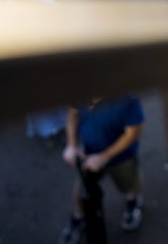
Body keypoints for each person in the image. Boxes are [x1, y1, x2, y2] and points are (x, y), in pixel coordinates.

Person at [60, 94, 145, 244]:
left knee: (130, 183)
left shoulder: (127, 99)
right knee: (80, 192)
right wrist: (71, 145)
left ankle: (133, 203)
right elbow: (72, 114)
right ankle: (78, 218)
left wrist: (104, 157)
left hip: (121, 158)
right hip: (89, 154)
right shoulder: (77, 91)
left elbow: (133, 133)